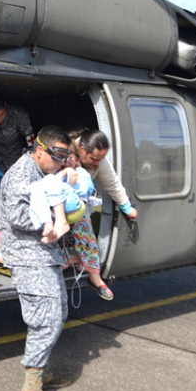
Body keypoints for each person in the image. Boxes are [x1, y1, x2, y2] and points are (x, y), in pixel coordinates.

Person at [0, 125, 75, 391]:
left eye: (66, 157)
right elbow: (18, 215)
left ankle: (41, 370)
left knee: (59, 312)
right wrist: (55, 218)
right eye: (58, 156)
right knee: (46, 319)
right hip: (28, 256)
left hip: (45, 254)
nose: (62, 163)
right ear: (40, 151)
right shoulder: (21, 174)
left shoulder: (43, 173)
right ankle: (32, 382)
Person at [65, 128, 138, 301]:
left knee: (85, 230)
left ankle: (94, 276)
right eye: (93, 159)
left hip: (77, 205)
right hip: (54, 202)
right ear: (82, 149)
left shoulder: (99, 162)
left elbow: (112, 183)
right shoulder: (64, 152)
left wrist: (126, 206)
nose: (97, 163)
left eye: (101, 159)